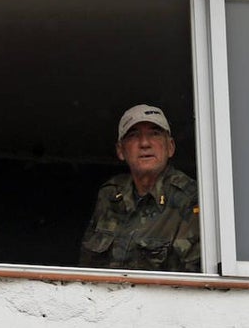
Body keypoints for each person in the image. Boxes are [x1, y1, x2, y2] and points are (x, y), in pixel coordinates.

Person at [79, 104, 200, 271]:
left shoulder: (190, 198)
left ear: (170, 147)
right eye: (134, 135)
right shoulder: (111, 194)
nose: (144, 143)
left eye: (155, 134)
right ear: (121, 150)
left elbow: (194, 284)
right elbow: (86, 269)